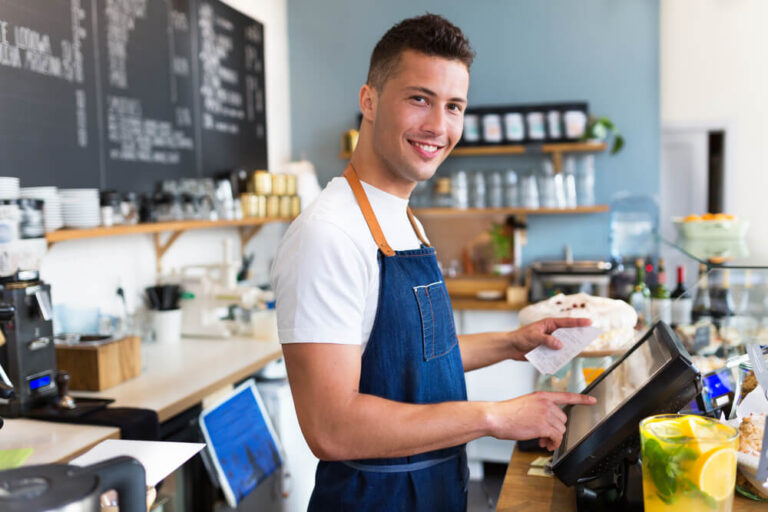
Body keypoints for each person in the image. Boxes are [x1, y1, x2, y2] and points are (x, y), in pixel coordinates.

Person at [271, 13, 596, 511]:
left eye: (454, 106)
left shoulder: (405, 221)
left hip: (435, 491)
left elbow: (412, 357)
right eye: (419, 99)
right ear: (370, 101)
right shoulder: (327, 235)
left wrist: (513, 344)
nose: (438, 127)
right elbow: (331, 428)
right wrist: (493, 417)